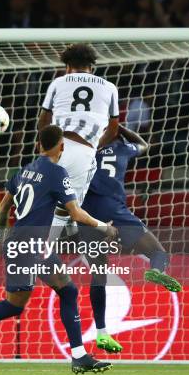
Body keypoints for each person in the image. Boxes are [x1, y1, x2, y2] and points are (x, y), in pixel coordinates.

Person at [0, 125, 115, 374]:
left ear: (38, 146)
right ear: (62, 146)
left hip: (31, 243)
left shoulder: (24, 171)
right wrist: (103, 227)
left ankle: (79, 356)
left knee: (68, 291)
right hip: (28, 245)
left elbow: (3, 208)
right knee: (14, 306)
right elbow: (76, 212)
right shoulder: (58, 173)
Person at [80, 125, 182, 353]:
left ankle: (101, 332)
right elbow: (145, 145)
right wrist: (120, 128)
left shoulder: (84, 150)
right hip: (115, 210)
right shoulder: (123, 148)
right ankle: (157, 271)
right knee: (158, 252)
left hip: (87, 214)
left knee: (99, 276)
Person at [37, 43, 119, 245]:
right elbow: (114, 128)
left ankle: (54, 242)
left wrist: (44, 147)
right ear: (92, 66)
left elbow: (43, 121)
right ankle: (97, 230)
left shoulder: (58, 82)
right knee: (69, 206)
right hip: (84, 150)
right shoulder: (109, 87)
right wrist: (94, 147)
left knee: (46, 203)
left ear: (67, 66)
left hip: (56, 147)